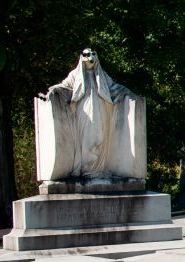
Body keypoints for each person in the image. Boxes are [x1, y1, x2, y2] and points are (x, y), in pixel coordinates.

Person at [42, 48, 134, 177]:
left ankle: (98, 170)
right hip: (83, 111)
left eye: (93, 54)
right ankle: (87, 169)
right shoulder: (76, 74)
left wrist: (127, 91)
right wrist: (53, 90)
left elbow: (113, 87)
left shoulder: (101, 75)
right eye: (86, 55)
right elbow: (64, 85)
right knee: (87, 137)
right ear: (81, 57)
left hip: (101, 109)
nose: (90, 57)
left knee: (100, 136)